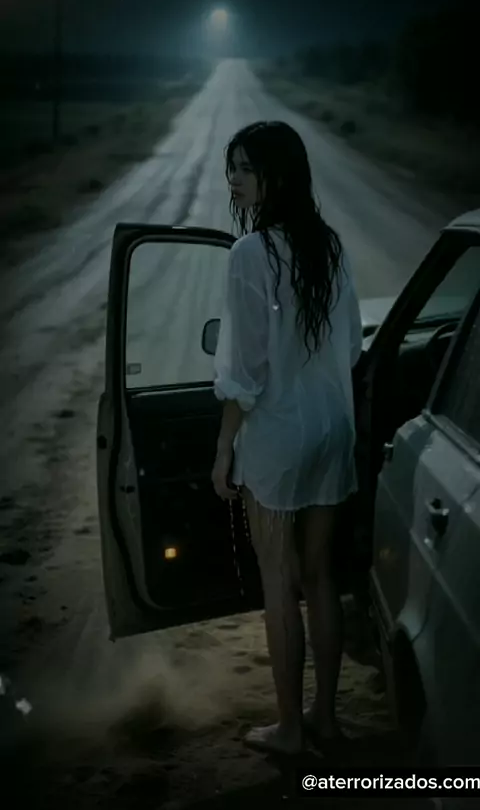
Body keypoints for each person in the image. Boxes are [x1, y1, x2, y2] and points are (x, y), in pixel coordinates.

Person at [211, 120, 363, 756]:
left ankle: (291, 730)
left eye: (246, 168)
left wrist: (224, 449)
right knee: (320, 576)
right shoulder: (329, 245)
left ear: (278, 175)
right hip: (333, 428)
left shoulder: (251, 254)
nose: (234, 179)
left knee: (279, 581)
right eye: (233, 168)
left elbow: (244, 371)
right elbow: (351, 345)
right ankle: (325, 716)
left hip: (279, 435)